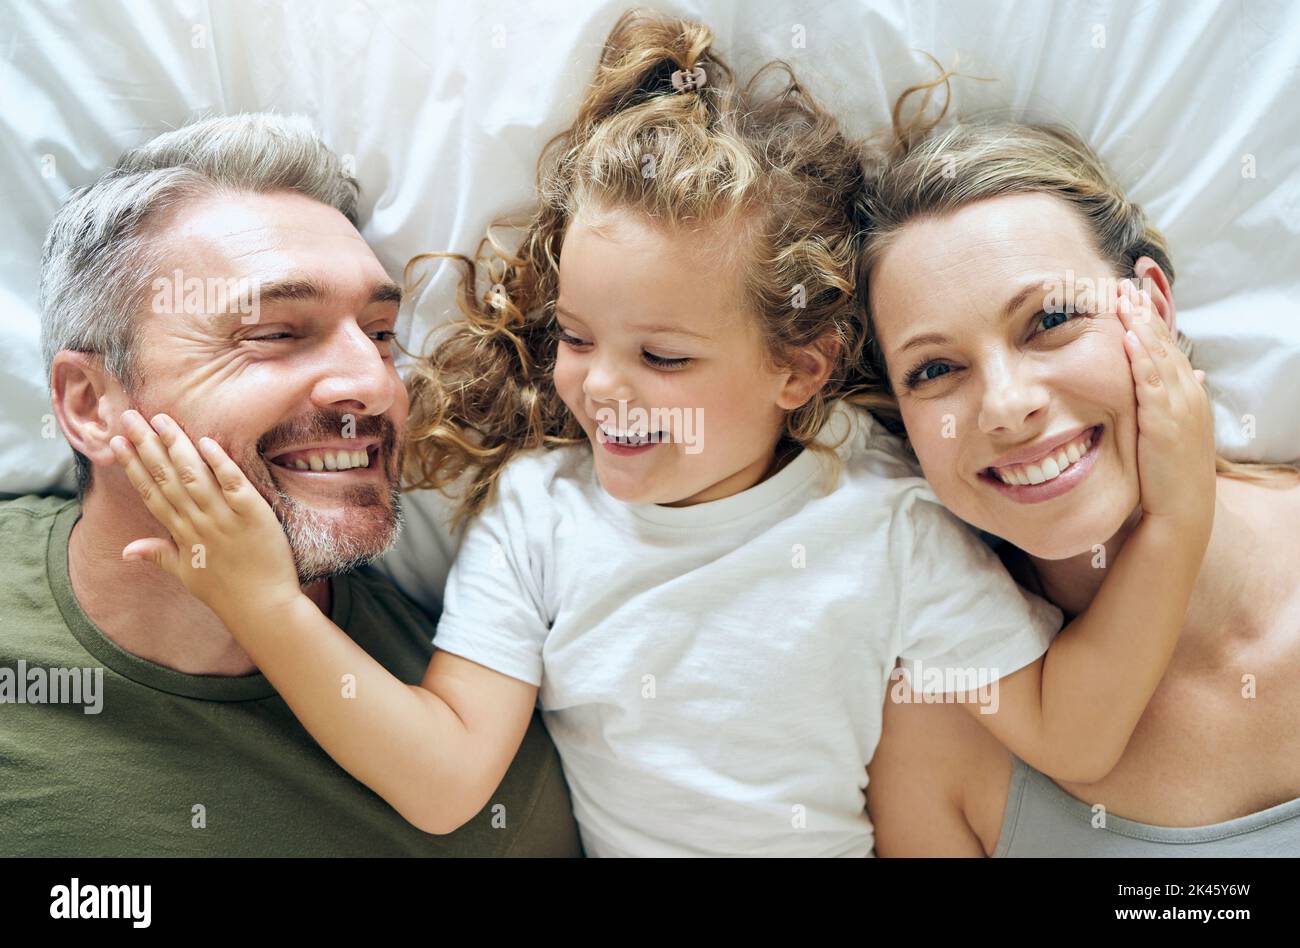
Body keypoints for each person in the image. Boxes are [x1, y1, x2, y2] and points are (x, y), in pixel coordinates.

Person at [111, 12, 1212, 857]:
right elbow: (445, 780)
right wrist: (262, 603)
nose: (601, 390)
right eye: (579, 338)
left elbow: (1072, 736)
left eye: (666, 357)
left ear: (799, 369)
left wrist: (1176, 518)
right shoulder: (538, 519)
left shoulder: (884, 520)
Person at [0, 113, 580, 857]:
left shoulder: (476, 771)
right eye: (276, 332)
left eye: (378, 334)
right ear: (90, 404)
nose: (374, 385)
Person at [861, 117, 1300, 855]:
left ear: (1153, 308)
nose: (1005, 405)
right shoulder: (932, 739)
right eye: (935, 370)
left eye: (1051, 320)